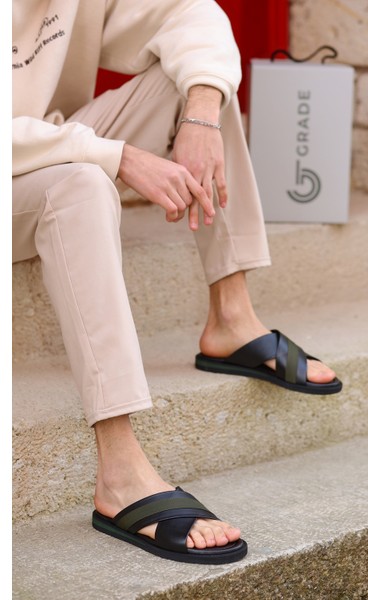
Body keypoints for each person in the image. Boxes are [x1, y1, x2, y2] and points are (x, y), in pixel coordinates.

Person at [12, 0, 342, 564]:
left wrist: (201, 112)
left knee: (200, 85)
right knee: (82, 185)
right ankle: (119, 471)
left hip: (46, 144)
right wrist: (116, 157)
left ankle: (231, 316)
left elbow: (191, 12)